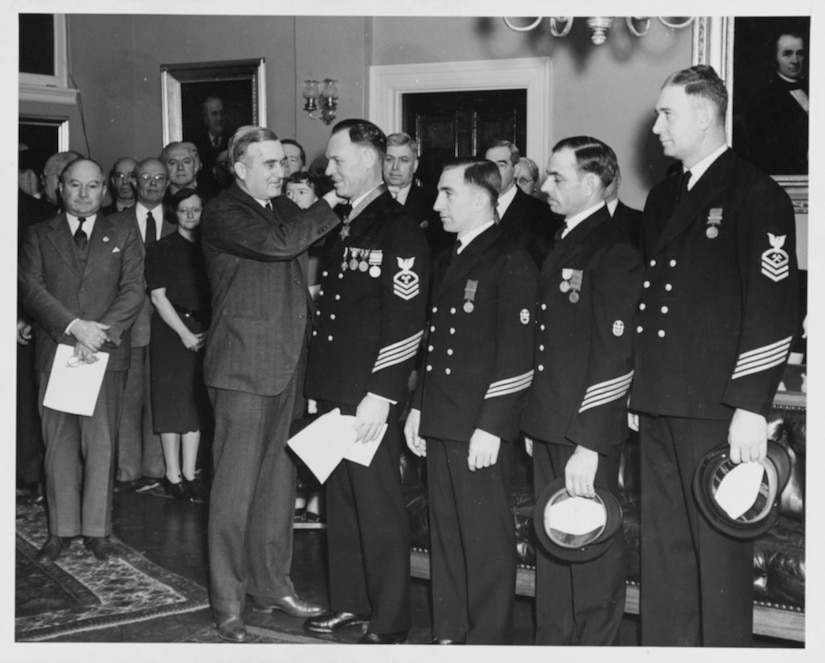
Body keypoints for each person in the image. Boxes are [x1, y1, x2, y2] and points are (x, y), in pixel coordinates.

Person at [630, 65, 799, 646]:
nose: (656, 127)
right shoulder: (664, 196)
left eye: (667, 113)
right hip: (659, 398)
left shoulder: (755, 193)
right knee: (664, 549)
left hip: (718, 406)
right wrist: (638, 389)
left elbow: (775, 308)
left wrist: (751, 406)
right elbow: (651, 303)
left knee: (720, 557)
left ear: (705, 115)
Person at [200, 125, 340, 643]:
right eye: (267, 164)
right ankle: (228, 603)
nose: (280, 172)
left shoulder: (277, 207)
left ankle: (270, 585)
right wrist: (330, 198)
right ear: (239, 169)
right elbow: (283, 246)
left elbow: (302, 237)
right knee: (234, 494)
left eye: (282, 163)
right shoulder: (224, 212)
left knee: (277, 489)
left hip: (284, 365)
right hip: (241, 369)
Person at [303, 119, 429, 644]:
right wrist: (320, 386)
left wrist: (382, 393)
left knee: (377, 506)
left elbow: (406, 321)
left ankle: (390, 618)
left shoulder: (397, 227)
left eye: (337, 161)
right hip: (336, 387)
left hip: (369, 394)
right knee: (342, 501)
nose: (328, 170)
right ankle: (350, 603)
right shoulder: (344, 220)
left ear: (369, 160)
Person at [405, 158, 538, 645]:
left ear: (481, 199)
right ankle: (450, 631)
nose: (437, 203)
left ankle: (485, 639)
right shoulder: (449, 257)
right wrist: (418, 407)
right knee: (446, 532)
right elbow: (434, 341)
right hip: (441, 416)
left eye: (447, 194)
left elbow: (518, 354)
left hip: (478, 425)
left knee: (484, 537)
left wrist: (493, 425)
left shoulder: (512, 258)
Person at [521, 136, 642, 645]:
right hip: (551, 419)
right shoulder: (565, 239)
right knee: (553, 541)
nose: (546, 186)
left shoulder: (613, 249)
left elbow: (616, 357)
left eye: (557, 177)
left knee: (590, 546)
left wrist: (589, 443)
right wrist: (536, 420)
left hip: (584, 428)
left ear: (591, 184)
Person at [18, 158, 144, 563]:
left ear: (104, 189)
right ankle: (61, 531)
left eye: (92, 186)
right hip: (56, 351)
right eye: (75, 185)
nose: (84, 194)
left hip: (105, 353)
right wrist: (74, 327)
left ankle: (97, 531)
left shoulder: (124, 232)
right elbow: (31, 289)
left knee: (101, 444)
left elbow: (133, 290)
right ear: (61, 188)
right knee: (58, 445)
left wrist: (98, 332)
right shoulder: (38, 234)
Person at [108, 158, 176, 493]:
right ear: (134, 182)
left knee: (161, 399)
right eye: (146, 177)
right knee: (126, 399)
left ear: (167, 184)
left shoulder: (181, 222)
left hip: (168, 327)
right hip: (127, 326)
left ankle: (155, 467)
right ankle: (126, 470)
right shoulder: (114, 223)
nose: (152, 183)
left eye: (159, 178)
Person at [145, 188, 211, 501]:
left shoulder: (211, 248)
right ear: (175, 212)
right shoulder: (161, 248)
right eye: (183, 209)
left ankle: (190, 472)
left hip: (204, 329)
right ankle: (172, 475)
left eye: (195, 209)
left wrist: (208, 331)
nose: (189, 215)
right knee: (171, 402)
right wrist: (185, 334)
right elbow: (158, 297)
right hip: (171, 331)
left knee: (195, 401)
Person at [17, 150, 58, 502]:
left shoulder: (37, 214)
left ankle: (26, 475)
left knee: (25, 403)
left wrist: (23, 315)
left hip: (21, 324)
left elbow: (32, 278)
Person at [741, 30, 808, 174]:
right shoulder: (763, 101)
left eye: (800, 53)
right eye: (787, 53)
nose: (795, 61)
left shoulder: (815, 91)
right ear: (775, 58)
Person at [484, 140, 560, 266]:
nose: (493, 172)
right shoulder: (473, 209)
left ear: (516, 170)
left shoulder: (542, 213)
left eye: (501, 165)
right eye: (488, 165)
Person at [383, 132, 450, 254]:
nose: (395, 167)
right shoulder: (369, 199)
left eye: (403, 160)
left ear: (415, 165)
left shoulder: (433, 203)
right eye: (389, 159)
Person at [193, 95, 229, 198]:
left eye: (222, 113)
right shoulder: (197, 144)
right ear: (205, 118)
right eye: (215, 114)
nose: (219, 118)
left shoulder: (233, 141)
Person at [603, 167, 642, 247]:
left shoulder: (640, 220)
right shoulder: (576, 218)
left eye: (608, 176)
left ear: (618, 180)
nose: (603, 182)